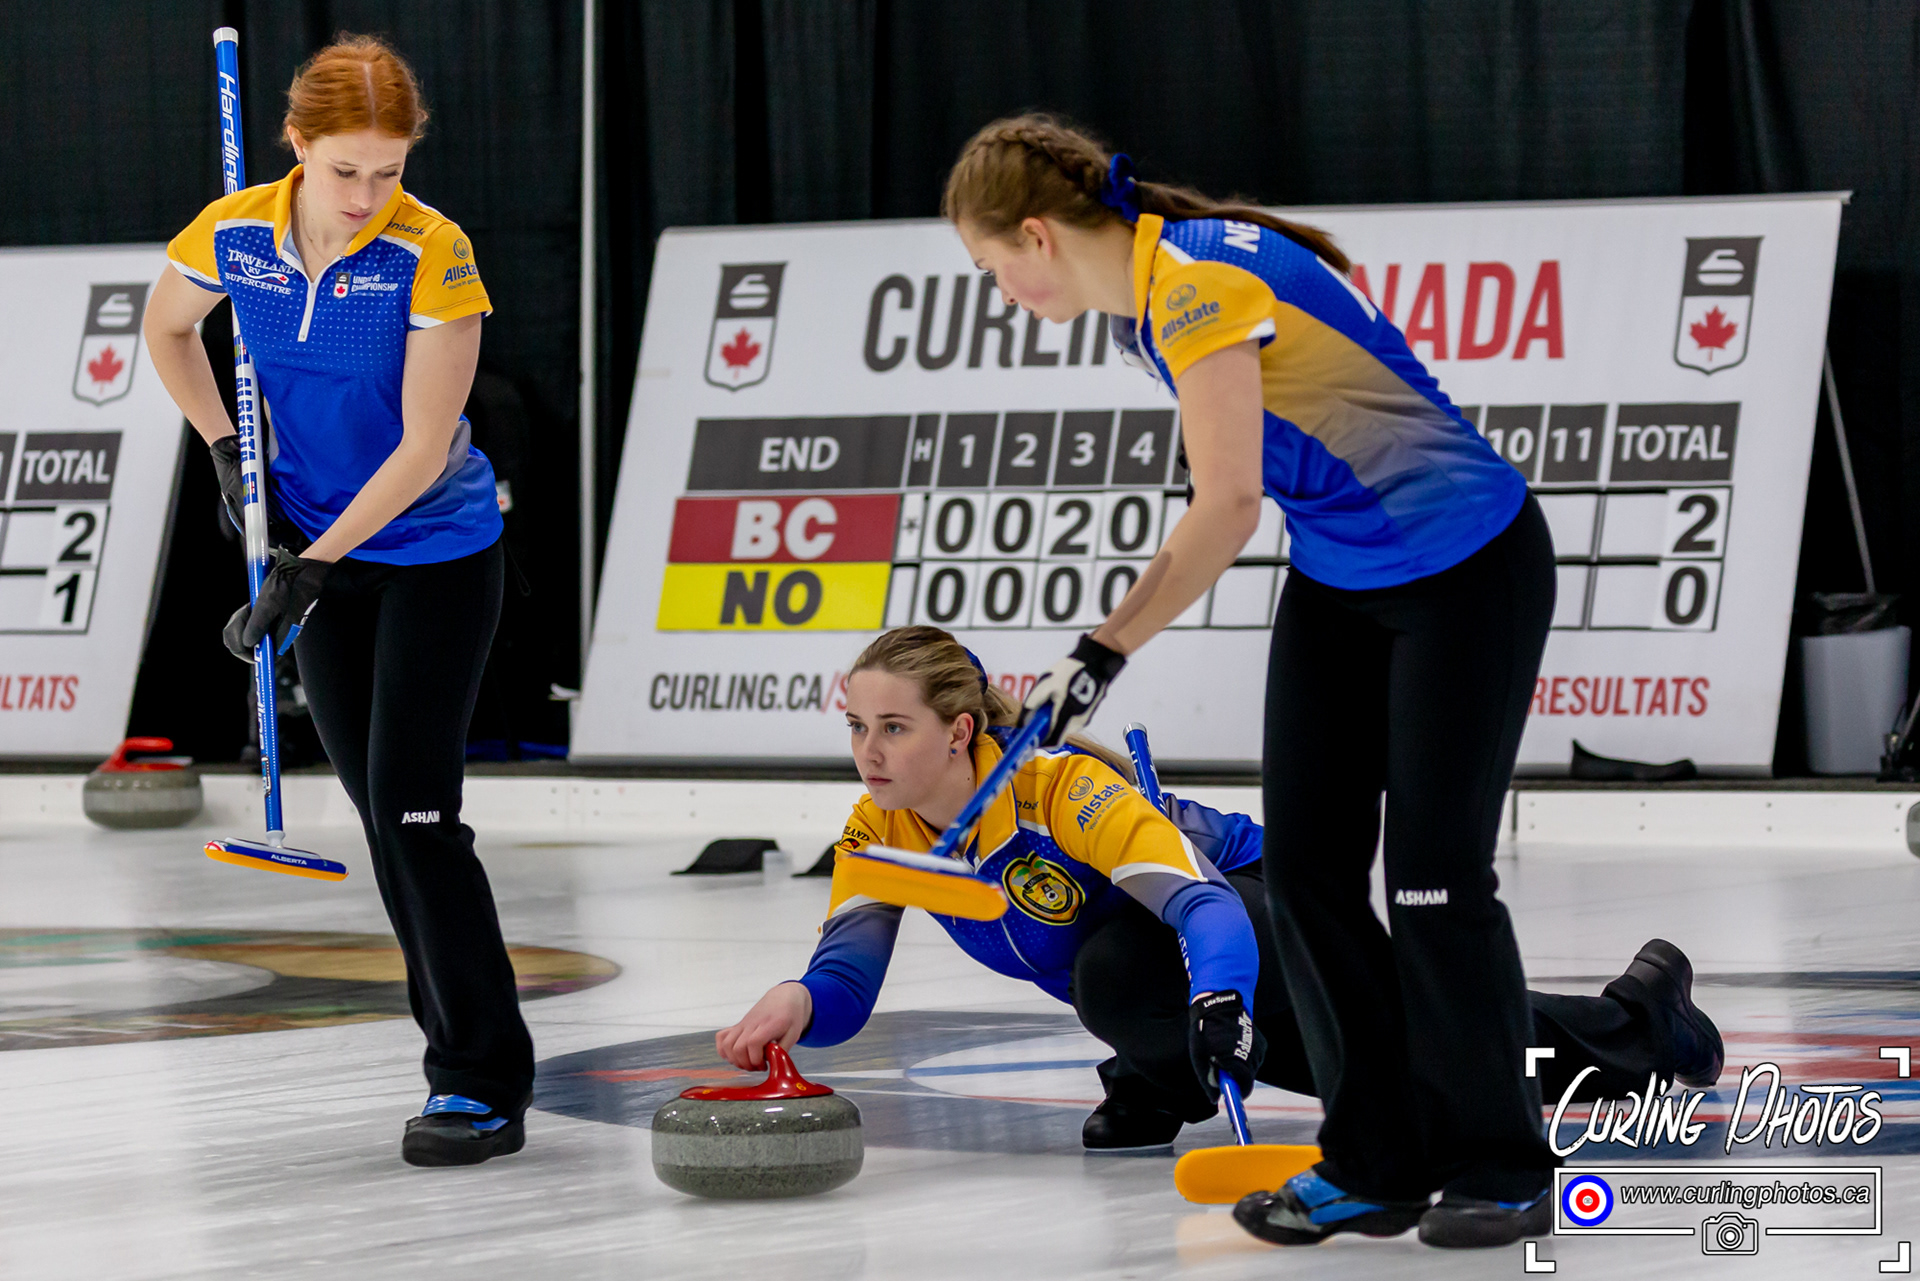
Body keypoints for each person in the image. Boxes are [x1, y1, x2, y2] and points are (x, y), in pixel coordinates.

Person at [942, 116, 1573, 1247]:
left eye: (992, 269)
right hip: (1343, 575)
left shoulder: (1192, 285)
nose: (1001, 293)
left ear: (1036, 236)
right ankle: (1375, 1160)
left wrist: (1101, 650)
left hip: (1466, 569)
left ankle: (1504, 1162)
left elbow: (1229, 504)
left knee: (1434, 880)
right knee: (1309, 877)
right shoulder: (1146, 303)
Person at [717, 628, 1722, 1172]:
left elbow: (1201, 907)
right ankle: (1161, 1073)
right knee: (1379, 1070)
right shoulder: (882, 830)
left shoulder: (1058, 791)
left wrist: (1217, 1003)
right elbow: (847, 975)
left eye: (892, 727)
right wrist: (798, 1001)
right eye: (857, 727)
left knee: (1137, 975)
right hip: (1158, 968)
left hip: (1261, 906)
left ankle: (1638, 1025)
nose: (868, 751)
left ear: (960, 731)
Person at [143, 35, 528, 1167]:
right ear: (297, 144)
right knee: (386, 822)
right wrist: (227, 451)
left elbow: (422, 449)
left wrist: (309, 567)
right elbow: (168, 327)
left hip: (432, 552)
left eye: (389, 171)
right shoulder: (236, 232)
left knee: (417, 815)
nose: (366, 197)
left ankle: (479, 1081)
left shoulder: (431, 251)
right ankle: (460, 1052)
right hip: (313, 549)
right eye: (345, 169)